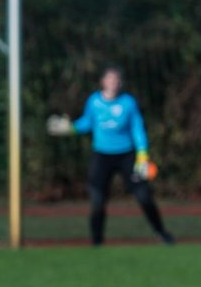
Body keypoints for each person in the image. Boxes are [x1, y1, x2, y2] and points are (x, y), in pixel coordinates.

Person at [47, 65, 174, 246]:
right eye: (109, 79)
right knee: (97, 200)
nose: (113, 83)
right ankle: (97, 242)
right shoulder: (94, 102)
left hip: (127, 156)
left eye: (116, 80)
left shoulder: (128, 103)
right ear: (103, 82)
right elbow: (87, 123)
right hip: (102, 156)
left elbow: (137, 128)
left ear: (120, 83)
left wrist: (143, 154)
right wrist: (71, 128)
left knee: (144, 196)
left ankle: (162, 233)